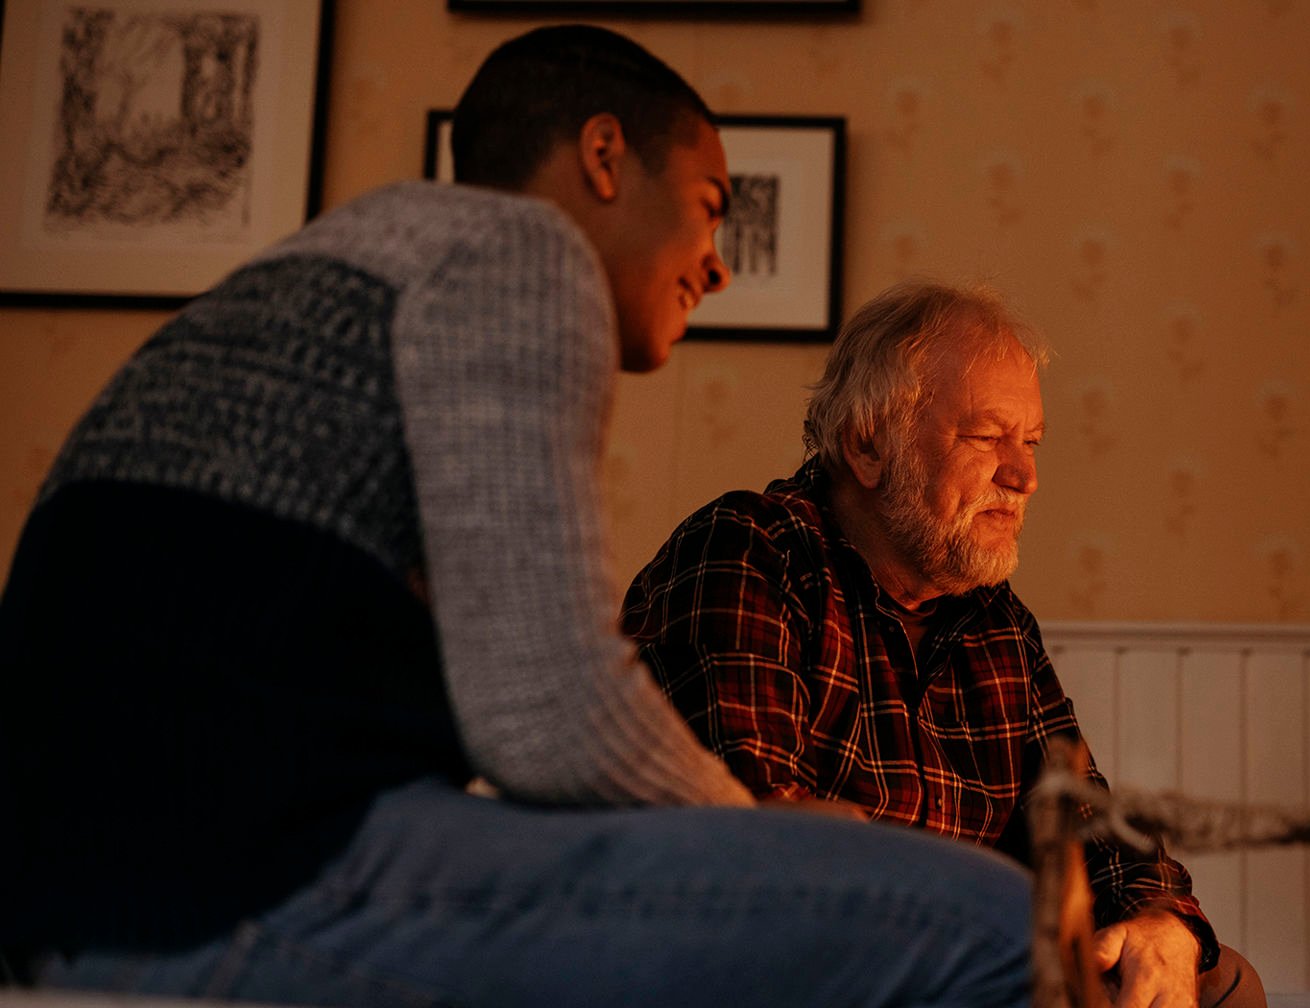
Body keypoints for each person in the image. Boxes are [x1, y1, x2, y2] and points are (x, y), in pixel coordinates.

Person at [0, 27, 1031, 1007]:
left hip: (75, 893)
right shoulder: (518, 250)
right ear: (602, 157)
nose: (718, 262)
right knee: (1002, 930)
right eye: (711, 204)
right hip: (226, 882)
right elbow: (547, 717)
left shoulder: (309, 280)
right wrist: (761, 838)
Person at [623, 280, 1266, 1008]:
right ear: (868, 444)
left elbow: (1095, 832)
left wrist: (1162, 923)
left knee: (1222, 985)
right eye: (988, 437)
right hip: (827, 963)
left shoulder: (996, 620)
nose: (1024, 476)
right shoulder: (749, 553)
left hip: (980, 955)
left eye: (1031, 443)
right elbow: (765, 858)